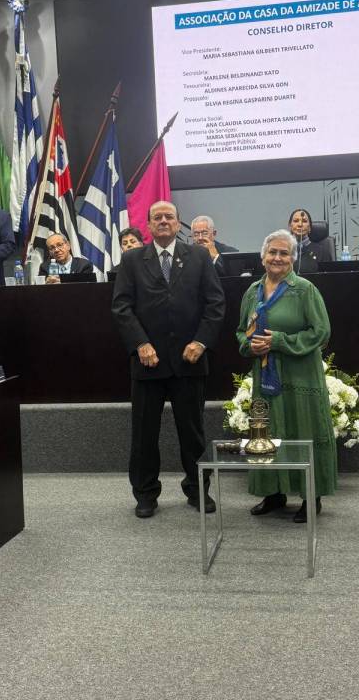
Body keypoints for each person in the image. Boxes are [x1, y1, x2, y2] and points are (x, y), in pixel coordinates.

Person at [112, 201, 225, 519]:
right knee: (144, 435)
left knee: (193, 433)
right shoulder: (132, 260)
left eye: (169, 217)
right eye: (157, 217)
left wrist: (201, 342)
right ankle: (146, 494)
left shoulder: (199, 256)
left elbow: (215, 304)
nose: (163, 221)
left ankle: (198, 490)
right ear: (148, 225)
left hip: (190, 361)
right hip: (148, 361)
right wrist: (140, 343)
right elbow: (121, 307)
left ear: (178, 223)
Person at [236, 229, 337, 522]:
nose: (277, 258)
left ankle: (311, 497)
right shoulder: (252, 291)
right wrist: (249, 346)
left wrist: (279, 341)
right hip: (266, 377)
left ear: (292, 258)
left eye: (284, 253)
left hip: (301, 376)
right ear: (263, 257)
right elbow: (241, 331)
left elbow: (321, 332)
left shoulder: (304, 289)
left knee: (304, 430)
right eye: (272, 252)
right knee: (269, 432)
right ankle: (273, 493)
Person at [288, 208, 333, 274]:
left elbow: (328, 277)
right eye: (296, 221)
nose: (300, 224)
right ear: (290, 226)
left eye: (304, 221)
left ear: (309, 228)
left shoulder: (323, 252)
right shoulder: (283, 250)